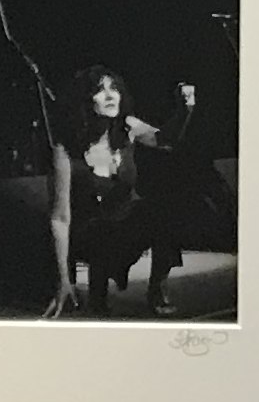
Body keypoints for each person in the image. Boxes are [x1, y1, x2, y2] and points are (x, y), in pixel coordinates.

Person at [48, 65, 196, 319]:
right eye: (100, 90)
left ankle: (157, 289)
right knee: (100, 229)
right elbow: (60, 218)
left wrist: (186, 109)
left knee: (164, 209)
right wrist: (63, 280)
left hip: (122, 221)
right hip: (87, 234)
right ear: (85, 101)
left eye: (114, 89)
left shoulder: (127, 127)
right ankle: (97, 294)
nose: (110, 96)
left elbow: (166, 141)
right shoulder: (66, 148)